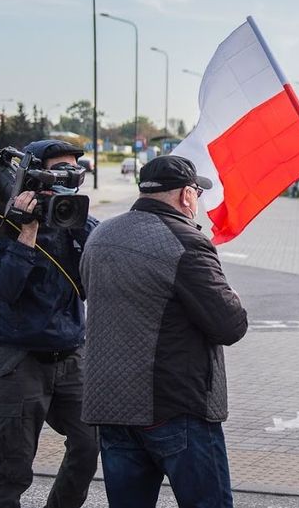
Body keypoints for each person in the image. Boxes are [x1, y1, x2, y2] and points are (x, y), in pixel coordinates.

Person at [79, 155, 249, 507]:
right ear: (186, 195)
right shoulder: (186, 240)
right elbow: (229, 325)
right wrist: (232, 296)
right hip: (175, 407)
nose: (197, 201)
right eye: (197, 193)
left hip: (111, 407)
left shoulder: (100, 236)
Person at [0, 139, 99, 508]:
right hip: (19, 360)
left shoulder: (74, 218)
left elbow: (101, 268)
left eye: (74, 172)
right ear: (33, 175)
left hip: (71, 356)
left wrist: (78, 226)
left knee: (89, 444)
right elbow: (5, 288)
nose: (67, 180)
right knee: (13, 466)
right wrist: (26, 232)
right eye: (59, 172)